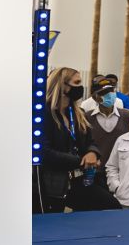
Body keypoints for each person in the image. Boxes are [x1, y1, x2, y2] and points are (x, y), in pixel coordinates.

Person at [33, 68, 102, 214]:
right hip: (53, 183)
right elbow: (44, 152)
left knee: (109, 204)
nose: (80, 87)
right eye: (76, 82)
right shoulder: (43, 113)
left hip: (80, 179)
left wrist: (92, 153)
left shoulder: (79, 113)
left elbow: (90, 141)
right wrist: (81, 161)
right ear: (62, 85)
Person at [85, 79, 129, 207]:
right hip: (95, 173)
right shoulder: (87, 117)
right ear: (96, 97)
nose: (110, 95)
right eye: (104, 92)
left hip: (121, 173)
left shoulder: (127, 116)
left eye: (111, 91)